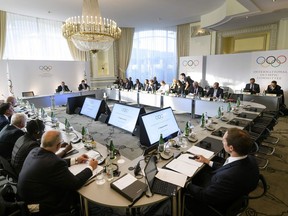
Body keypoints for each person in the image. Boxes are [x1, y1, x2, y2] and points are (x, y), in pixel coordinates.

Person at [17, 130, 98, 215]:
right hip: (40, 206)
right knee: (73, 190)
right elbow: (75, 183)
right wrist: (91, 167)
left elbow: (52, 162)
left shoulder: (34, 151)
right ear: (58, 145)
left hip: (26, 198)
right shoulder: (54, 163)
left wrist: (76, 160)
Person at [185, 128, 259, 215]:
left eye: (223, 140)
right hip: (232, 194)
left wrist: (187, 184)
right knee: (202, 173)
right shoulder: (251, 159)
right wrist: (207, 161)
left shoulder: (227, 177)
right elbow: (228, 167)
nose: (222, 142)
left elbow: (205, 196)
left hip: (216, 205)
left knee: (188, 190)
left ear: (231, 148)